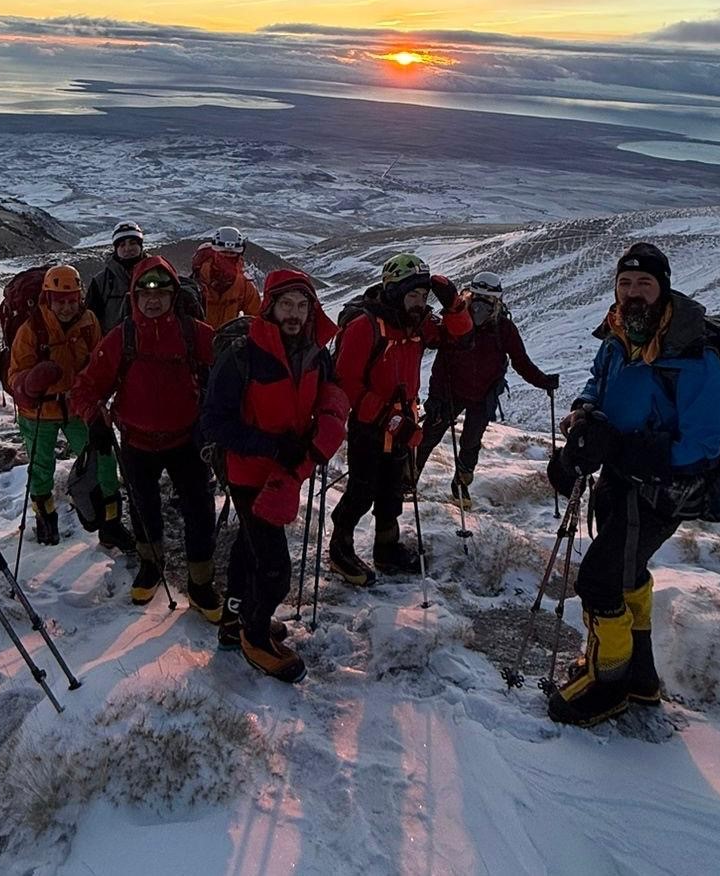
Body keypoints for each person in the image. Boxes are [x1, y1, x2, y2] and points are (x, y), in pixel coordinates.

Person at [545, 242, 720, 727]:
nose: (633, 293)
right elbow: (598, 382)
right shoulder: (618, 336)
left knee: (600, 580)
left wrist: (631, 451)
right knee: (626, 575)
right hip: (621, 481)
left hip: (661, 491)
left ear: (662, 288)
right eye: (625, 283)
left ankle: (607, 685)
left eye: (644, 284)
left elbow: (707, 441)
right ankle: (640, 676)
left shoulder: (693, 355)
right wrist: (586, 418)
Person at [201, 270, 348, 681]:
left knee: (249, 550)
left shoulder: (315, 353)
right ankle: (255, 634)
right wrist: (271, 445)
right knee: (274, 568)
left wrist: (324, 426)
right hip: (250, 475)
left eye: (303, 306)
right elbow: (214, 423)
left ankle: (237, 620)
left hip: (287, 472)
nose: (295, 314)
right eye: (287, 305)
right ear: (269, 306)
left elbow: (331, 389)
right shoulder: (244, 355)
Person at [70, 257, 219, 616]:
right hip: (136, 442)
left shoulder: (193, 332)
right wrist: (94, 417)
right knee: (143, 508)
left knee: (199, 510)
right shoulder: (122, 337)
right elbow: (86, 386)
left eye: (162, 293)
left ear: (173, 296)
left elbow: (227, 368)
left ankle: (201, 582)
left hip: (188, 441)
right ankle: (151, 566)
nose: (153, 301)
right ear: (134, 296)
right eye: (145, 293)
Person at [327, 253, 472, 586]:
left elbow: (459, 339)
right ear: (393, 292)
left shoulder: (418, 324)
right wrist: (385, 417)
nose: (420, 303)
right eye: (412, 295)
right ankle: (340, 549)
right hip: (370, 425)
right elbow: (345, 381)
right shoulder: (366, 326)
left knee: (393, 489)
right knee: (362, 490)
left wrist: (453, 304)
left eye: (423, 296)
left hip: (404, 421)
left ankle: (386, 547)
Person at [6, 265, 132, 550]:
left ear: (80, 298)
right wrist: (30, 383)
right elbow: (14, 376)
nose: (66, 306)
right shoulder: (31, 329)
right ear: (47, 299)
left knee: (103, 458)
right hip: (38, 411)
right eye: (60, 301)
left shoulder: (88, 322)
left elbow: (98, 363)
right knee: (41, 467)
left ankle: (111, 522)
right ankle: (45, 518)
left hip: (77, 407)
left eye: (72, 299)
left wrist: (98, 396)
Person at [416, 271, 559, 509]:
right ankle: (409, 479)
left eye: (487, 299)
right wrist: (435, 397)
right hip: (451, 391)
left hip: (482, 395)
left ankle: (460, 484)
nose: (480, 305)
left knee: (470, 442)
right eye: (477, 297)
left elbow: (520, 361)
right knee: (430, 435)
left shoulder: (504, 329)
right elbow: (439, 360)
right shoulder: (458, 321)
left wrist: (542, 381)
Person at [83, 220, 148, 330]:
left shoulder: (155, 274)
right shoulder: (101, 282)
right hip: (113, 344)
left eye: (132, 243)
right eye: (122, 245)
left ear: (140, 246)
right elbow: (90, 321)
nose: (128, 249)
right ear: (116, 249)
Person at [192, 226, 262, 327]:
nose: (228, 257)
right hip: (198, 338)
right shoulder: (198, 280)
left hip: (227, 339)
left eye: (232, 253)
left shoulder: (244, 286)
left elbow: (257, 320)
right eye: (224, 253)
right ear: (215, 253)